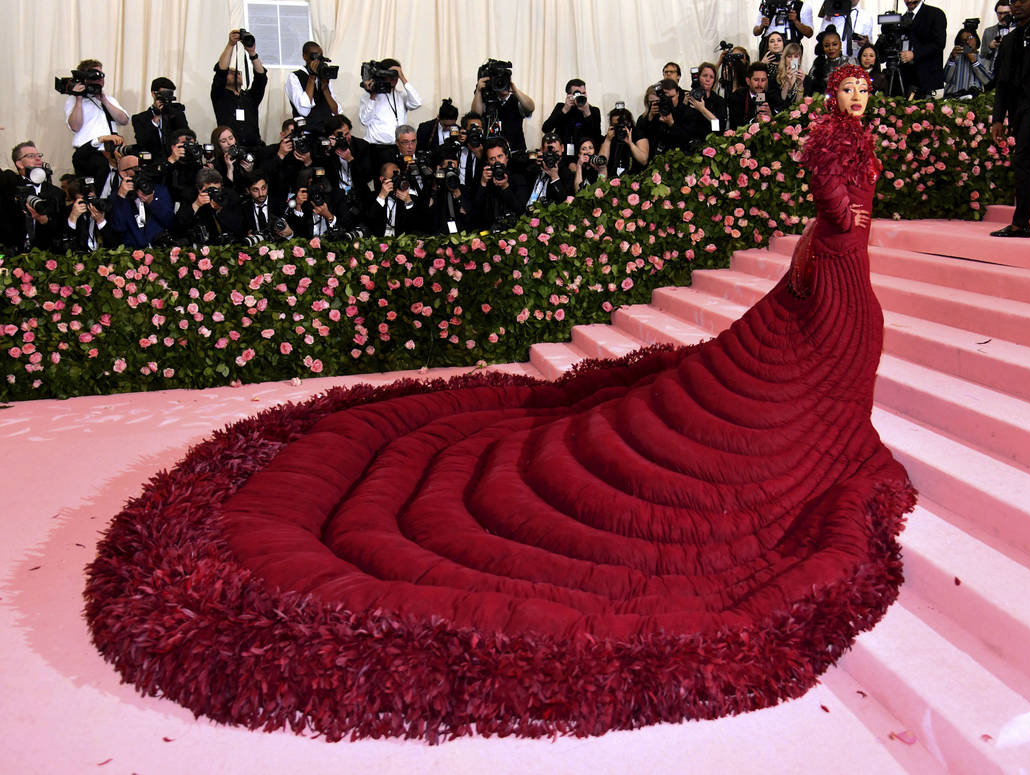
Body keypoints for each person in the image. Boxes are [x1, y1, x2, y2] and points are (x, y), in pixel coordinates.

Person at [114, 62, 917, 742]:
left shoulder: (861, 140)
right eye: (846, 94)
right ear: (831, 100)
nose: (856, 103)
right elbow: (832, 198)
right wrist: (838, 225)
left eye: (861, 94)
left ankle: (839, 424)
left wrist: (845, 226)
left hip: (847, 258)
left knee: (852, 339)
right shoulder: (826, 144)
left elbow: (848, 204)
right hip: (838, 252)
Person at [990, 0, 1030, 237]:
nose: (1015, 5)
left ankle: (1020, 222)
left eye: (1022, 0)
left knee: (1024, 160)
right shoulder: (1011, 40)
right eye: (1013, 1)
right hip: (1019, 110)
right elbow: (1002, 84)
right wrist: (997, 119)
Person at [64, 59, 130, 184]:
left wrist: (104, 99)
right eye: (95, 75)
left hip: (110, 153)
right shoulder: (73, 100)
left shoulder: (109, 99)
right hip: (88, 153)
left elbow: (123, 120)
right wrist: (78, 99)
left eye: (101, 74)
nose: (99, 78)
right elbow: (75, 126)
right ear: (85, 78)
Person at [0, 141, 64, 253]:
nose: (38, 159)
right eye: (31, 156)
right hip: (13, 255)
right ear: (19, 163)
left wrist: (45, 221)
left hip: (46, 256)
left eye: (39, 155)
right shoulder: (9, 186)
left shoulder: (57, 193)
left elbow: (60, 230)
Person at [107, 153, 177, 249]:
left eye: (143, 168)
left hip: (160, 249)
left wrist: (152, 202)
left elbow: (170, 222)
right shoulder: (116, 198)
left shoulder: (159, 190)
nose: (141, 171)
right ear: (123, 174)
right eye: (136, 169)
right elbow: (118, 227)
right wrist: (122, 197)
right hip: (132, 254)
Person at [212, 29, 268, 148]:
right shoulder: (220, 96)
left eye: (239, 73)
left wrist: (252, 53)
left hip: (254, 148)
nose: (236, 74)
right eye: (231, 73)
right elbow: (221, 70)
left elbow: (261, 78)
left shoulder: (250, 97)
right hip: (229, 149)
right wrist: (230, 45)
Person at [359, 58, 423, 155]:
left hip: (399, 147)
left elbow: (417, 103)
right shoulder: (368, 97)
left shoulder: (401, 96)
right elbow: (365, 121)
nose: (393, 79)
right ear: (382, 75)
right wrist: (373, 96)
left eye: (395, 75)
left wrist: (403, 78)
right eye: (390, 75)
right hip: (377, 147)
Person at [470, 67, 536, 154]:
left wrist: (515, 90)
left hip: (515, 152)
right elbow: (475, 115)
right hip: (493, 154)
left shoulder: (517, 99)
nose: (502, 83)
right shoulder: (488, 99)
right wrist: (479, 91)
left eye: (504, 80)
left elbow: (530, 107)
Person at [174, 167, 246, 244]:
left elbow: (240, 227)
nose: (214, 193)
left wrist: (220, 210)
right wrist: (197, 204)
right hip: (201, 244)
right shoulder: (189, 196)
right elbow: (179, 225)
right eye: (210, 190)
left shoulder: (230, 195)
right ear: (199, 189)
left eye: (217, 189)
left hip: (228, 243)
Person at [469, 137, 528, 230]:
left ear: (507, 157)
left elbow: (520, 210)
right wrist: (483, 183)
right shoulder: (483, 179)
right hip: (487, 230)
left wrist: (505, 187)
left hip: (513, 230)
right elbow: (475, 213)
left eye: (500, 156)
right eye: (492, 159)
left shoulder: (518, 178)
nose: (497, 162)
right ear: (488, 162)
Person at [286, 41, 343, 133]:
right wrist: (312, 78)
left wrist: (325, 89)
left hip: (327, 132)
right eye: (314, 56)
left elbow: (336, 111)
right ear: (304, 56)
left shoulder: (323, 76)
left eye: (320, 57)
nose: (317, 61)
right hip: (307, 132)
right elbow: (304, 111)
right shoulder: (294, 77)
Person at [896, 0, 948, 98]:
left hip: (925, 77)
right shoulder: (901, 19)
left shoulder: (935, 14)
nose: (909, 1)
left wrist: (914, 54)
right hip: (904, 76)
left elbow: (939, 43)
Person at [541, 79, 602, 159]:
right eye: (578, 94)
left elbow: (596, 137)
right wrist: (565, 110)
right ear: (569, 95)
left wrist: (587, 113)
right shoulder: (561, 107)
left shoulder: (593, 111)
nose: (581, 96)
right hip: (563, 156)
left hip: (584, 155)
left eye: (583, 93)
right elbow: (546, 129)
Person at [131, 77, 190, 159]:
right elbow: (142, 142)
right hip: (152, 163)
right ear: (153, 93)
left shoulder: (176, 114)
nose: (166, 98)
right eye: (164, 94)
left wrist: (174, 114)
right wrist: (156, 118)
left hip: (176, 161)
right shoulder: (139, 118)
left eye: (170, 94)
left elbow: (187, 136)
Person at [943, 27, 994, 98]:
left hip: (974, 100)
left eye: (969, 38)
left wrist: (974, 61)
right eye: (963, 41)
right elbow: (945, 78)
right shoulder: (956, 57)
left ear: (976, 39)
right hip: (953, 98)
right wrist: (952, 58)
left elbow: (987, 81)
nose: (967, 42)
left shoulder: (983, 58)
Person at [599, 106, 649, 176]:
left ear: (629, 123)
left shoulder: (638, 134)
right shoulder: (610, 136)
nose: (619, 128)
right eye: (616, 125)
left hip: (635, 177)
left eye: (622, 125)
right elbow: (601, 162)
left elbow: (643, 160)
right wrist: (608, 140)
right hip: (612, 178)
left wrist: (630, 143)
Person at [806, 28, 856, 96]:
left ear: (840, 44)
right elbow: (810, 88)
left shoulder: (850, 62)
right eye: (827, 46)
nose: (831, 48)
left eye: (834, 44)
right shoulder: (818, 64)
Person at [729, 64, 776, 129]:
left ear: (767, 81)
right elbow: (734, 123)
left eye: (763, 80)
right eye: (756, 80)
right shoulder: (738, 96)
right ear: (748, 81)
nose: (759, 84)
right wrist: (754, 121)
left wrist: (771, 116)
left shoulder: (771, 97)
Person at [211, 126, 256, 191]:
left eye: (231, 138)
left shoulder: (243, 155)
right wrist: (230, 169)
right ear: (218, 145)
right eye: (223, 141)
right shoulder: (216, 165)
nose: (229, 143)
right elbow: (227, 191)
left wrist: (250, 171)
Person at [982, 2, 1014, 75]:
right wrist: (990, 48)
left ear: (1011, 12)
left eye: (1006, 13)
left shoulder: (1018, 29)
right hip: (993, 72)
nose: (1002, 16)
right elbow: (982, 55)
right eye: (999, 13)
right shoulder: (988, 31)